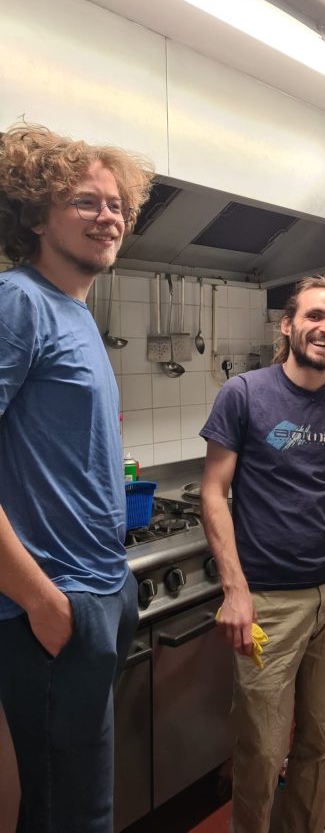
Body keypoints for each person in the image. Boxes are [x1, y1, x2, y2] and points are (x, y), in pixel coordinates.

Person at [200, 275, 325, 833]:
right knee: (262, 749)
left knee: (322, 739)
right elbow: (213, 493)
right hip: (268, 600)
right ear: (287, 325)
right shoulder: (244, 395)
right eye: (315, 317)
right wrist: (233, 591)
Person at [0, 122, 154, 832]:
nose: (109, 216)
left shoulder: (76, 311)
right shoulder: (18, 302)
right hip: (55, 601)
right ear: (35, 215)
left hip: (100, 589)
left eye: (117, 204)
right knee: (72, 814)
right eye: (86, 202)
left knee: (77, 802)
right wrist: (40, 600)